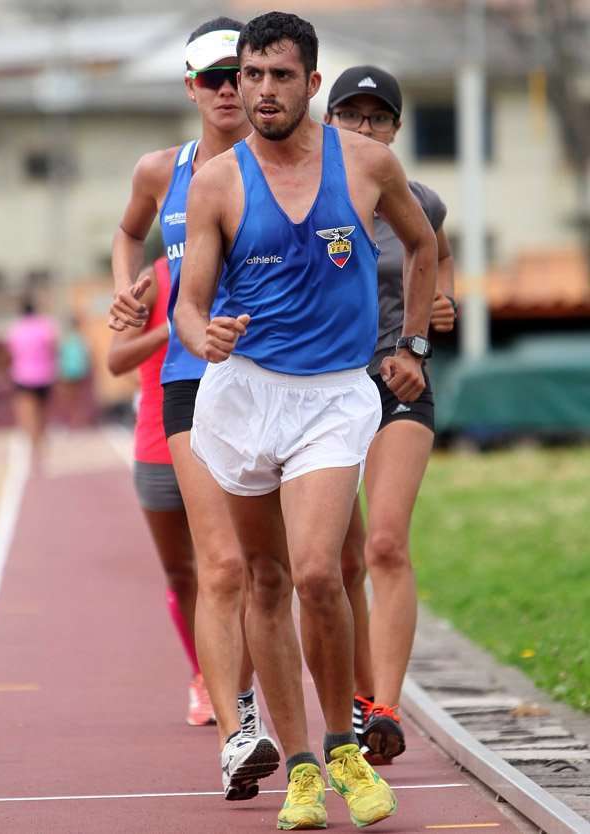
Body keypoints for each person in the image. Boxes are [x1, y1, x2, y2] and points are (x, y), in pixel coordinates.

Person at [174, 12, 438, 830]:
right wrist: (202, 334)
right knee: (263, 578)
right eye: (250, 76)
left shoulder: (365, 164)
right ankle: (296, 767)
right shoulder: (218, 182)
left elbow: (425, 247)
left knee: (321, 571)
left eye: (278, 76)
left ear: (311, 84)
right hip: (245, 393)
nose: (259, 91)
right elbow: (190, 305)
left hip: (331, 395)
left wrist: (414, 342)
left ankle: (345, 749)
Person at [108, 18, 279, 801]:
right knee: (220, 566)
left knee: (280, 570)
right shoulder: (159, 170)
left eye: (236, 75)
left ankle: (312, 724)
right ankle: (237, 728)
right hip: (188, 378)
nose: (224, 90)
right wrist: (126, 285)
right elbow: (128, 232)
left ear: (255, 81)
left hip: (276, 377)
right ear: (191, 87)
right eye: (209, 77)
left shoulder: (287, 167)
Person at [324, 66, 457, 765]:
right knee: (336, 560)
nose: (365, 129)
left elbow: (435, 261)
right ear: (329, 120)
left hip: (397, 381)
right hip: (321, 391)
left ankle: (386, 706)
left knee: (384, 545)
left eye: (378, 118)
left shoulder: (421, 200)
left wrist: (434, 321)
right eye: (352, 115)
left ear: (396, 130)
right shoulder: (305, 199)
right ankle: (352, 699)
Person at [108, 256, 216, 727]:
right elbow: (116, 360)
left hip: (223, 438)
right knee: (181, 572)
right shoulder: (157, 277)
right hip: (157, 442)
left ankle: (236, 682)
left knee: (231, 567)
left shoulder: (243, 258)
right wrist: (172, 330)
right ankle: (203, 677)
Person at [6, 295, 58, 469]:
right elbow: (53, 348)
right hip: (45, 375)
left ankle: (35, 448)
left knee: (29, 415)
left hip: (23, 376)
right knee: (42, 413)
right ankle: (42, 446)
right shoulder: (45, 326)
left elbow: (11, 353)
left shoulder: (16, 329)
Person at [58, 314, 91, 428]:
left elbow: (60, 355)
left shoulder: (67, 338)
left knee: (72, 398)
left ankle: (75, 420)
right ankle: (76, 420)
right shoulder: (80, 338)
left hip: (70, 371)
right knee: (76, 398)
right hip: (77, 370)